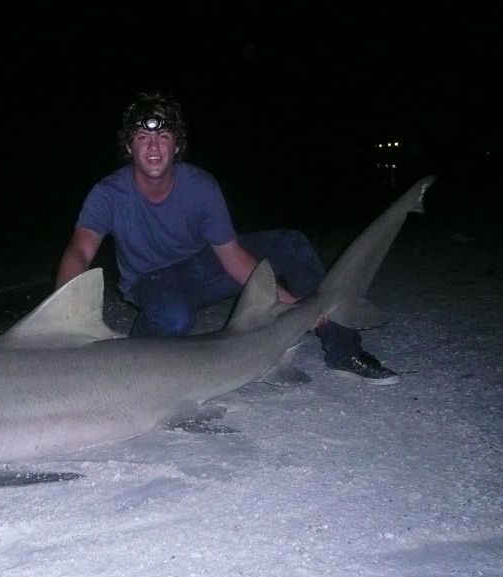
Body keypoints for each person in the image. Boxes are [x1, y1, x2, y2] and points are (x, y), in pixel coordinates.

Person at [55, 92, 399, 385]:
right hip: (151, 280)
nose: (154, 146)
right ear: (129, 147)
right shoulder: (109, 194)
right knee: (174, 316)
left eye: (163, 136)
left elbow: (232, 256)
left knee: (291, 244)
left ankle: (343, 349)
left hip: (202, 267)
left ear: (177, 144)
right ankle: (131, 357)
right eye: (143, 138)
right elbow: (80, 250)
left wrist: (291, 306)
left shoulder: (201, 186)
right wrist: (63, 319)